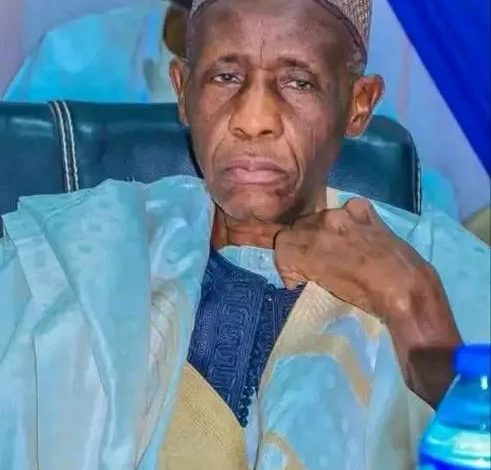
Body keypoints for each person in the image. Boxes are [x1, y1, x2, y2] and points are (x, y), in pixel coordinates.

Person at [0, 0, 489, 469]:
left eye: (298, 82)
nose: (253, 121)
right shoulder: (69, 255)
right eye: (226, 77)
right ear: (183, 91)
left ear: (358, 105)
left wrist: (416, 308)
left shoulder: (441, 266)